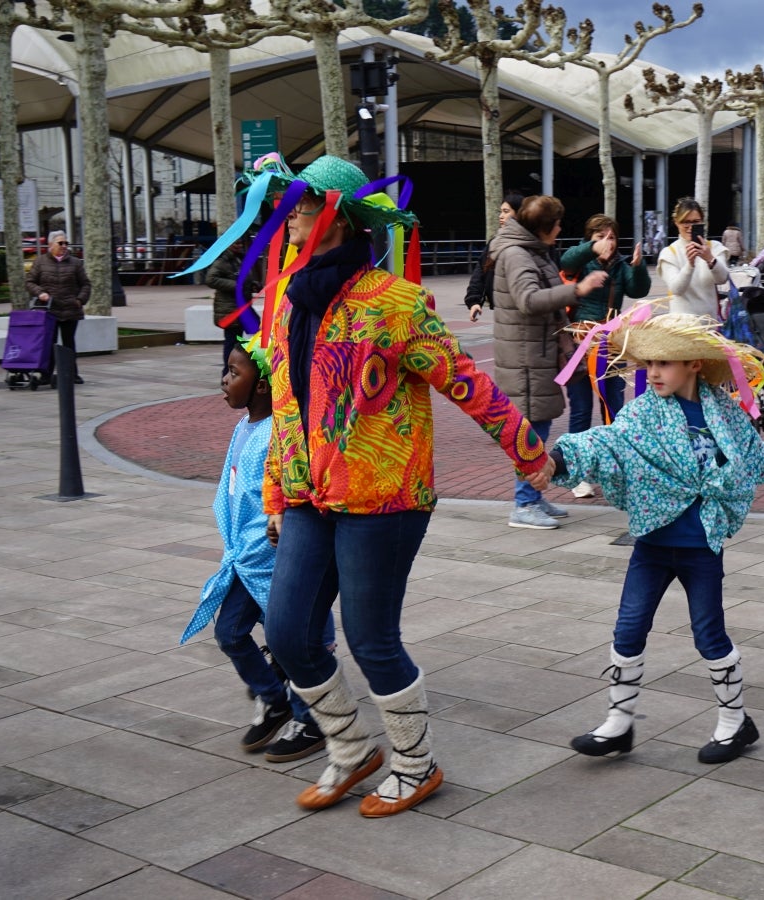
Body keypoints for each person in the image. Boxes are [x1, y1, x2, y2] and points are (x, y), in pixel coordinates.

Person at [239, 155, 549, 817]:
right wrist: (274, 494)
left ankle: (416, 763)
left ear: (338, 214)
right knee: (290, 631)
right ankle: (351, 749)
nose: (288, 214)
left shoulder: (397, 303)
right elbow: (287, 405)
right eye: (286, 204)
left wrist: (530, 455)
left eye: (302, 203)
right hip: (306, 495)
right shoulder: (289, 301)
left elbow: (470, 383)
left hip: (386, 495)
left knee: (370, 634)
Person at [533, 309, 764, 761]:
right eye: (649, 364)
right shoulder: (643, 412)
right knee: (628, 629)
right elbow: (608, 440)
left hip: (701, 545)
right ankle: (619, 724)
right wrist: (559, 461)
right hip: (653, 543)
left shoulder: (725, 414)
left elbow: (757, 457)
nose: (653, 373)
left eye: (664, 363)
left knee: (709, 635)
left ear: (694, 364)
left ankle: (735, 722)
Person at [179, 334, 327, 763]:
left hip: (272, 557)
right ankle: (273, 698)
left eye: (233, 372)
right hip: (244, 558)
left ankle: (310, 719)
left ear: (262, 384)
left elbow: (284, 489)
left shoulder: (280, 433)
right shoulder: (242, 427)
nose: (224, 381)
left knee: (290, 640)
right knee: (230, 633)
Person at [491, 194, 609, 529]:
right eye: (557, 224)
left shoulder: (530, 251)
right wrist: (579, 289)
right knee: (530, 431)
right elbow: (528, 299)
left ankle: (533, 497)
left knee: (536, 429)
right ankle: (524, 503)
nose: (560, 229)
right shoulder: (516, 254)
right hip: (525, 358)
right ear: (544, 228)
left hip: (535, 354)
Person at [558, 213, 651, 497]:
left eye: (611, 237)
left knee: (615, 409)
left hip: (611, 344)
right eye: (600, 237)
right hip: (579, 343)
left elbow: (639, 289)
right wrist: (592, 247)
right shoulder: (581, 260)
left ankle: (616, 469)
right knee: (582, 408)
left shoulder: (621, 265)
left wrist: (638, 266)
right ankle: (576, 472)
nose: (606, 243)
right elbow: (566, 261)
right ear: (590, 238)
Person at [25, 229, 90, 384]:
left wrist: (80, 300)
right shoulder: (40, 262)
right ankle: (46, 375)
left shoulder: (75, 263)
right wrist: (40, 293)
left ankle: (72, 374)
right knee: (49, 343)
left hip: (70, 308)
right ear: (50, 244)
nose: (64, 246)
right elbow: (29, 282)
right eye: (60, 243)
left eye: (66, 243)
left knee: (69, 343)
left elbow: (86, 284)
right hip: (49, 310)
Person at [657, 197, 730, 319]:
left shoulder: (715, 247)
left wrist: (710, 259)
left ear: (702, 222)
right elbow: (676, 289)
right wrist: (690, 265)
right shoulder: (669, 253)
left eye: (696, 222)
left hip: (710, 325)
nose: (690, 227)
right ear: (676, 222)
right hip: (682, 329)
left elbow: (723, 278)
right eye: (685, 222)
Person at [465, 191, 525, 322]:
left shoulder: (529, 243)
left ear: (519, 214)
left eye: (506, 211)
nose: (501, 216)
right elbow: (480, 271)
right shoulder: (495, 242)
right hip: (501, 311)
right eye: (501, 211)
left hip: (522, 312)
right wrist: (474, 301)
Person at [206, 237, 261, 372]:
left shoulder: (240, 259)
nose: (239, 246)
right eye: (235, 243)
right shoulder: (222, 261)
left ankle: (246, 368)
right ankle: (228, 374)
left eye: (240, 243)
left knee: (257, 332)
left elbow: (245, 279)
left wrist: (253, 285)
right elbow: (210, 279)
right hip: (230, 309)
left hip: (242, 307)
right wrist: (235, 286)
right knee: (232, 341)